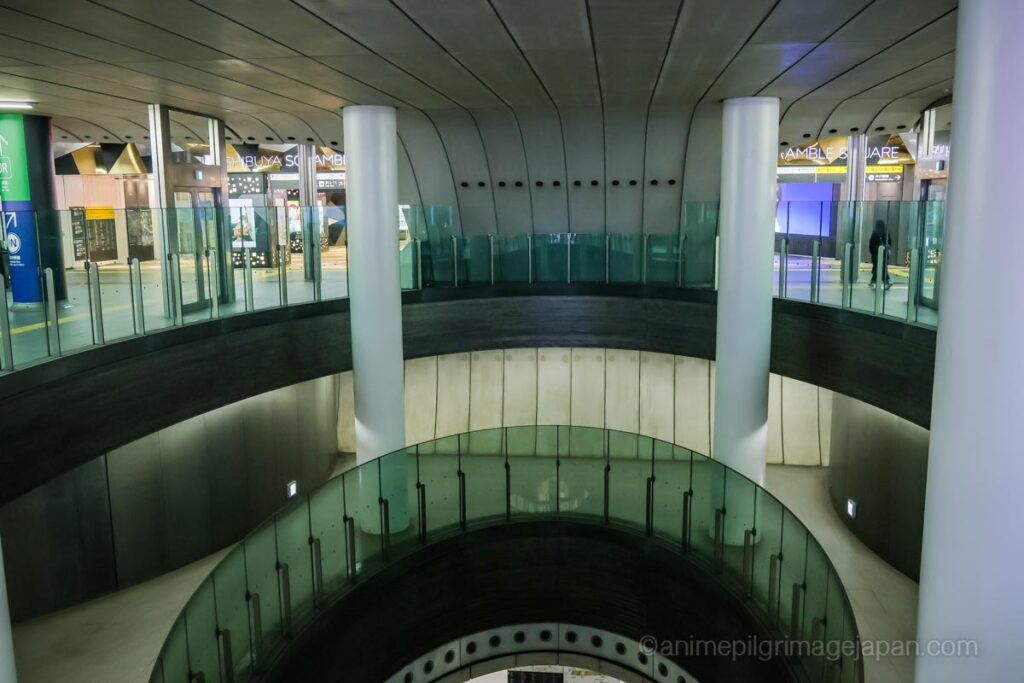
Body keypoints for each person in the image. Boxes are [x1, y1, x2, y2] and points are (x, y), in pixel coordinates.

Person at [868, 219, 892, 290]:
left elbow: (871, 244)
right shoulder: (887, 232)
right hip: (885, 254)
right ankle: (875, 281)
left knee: (878, 268)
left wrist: (873, 253)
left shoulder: (875, 233)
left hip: (876, 254)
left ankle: (885, 280)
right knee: (882, 268)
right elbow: (890, 243)